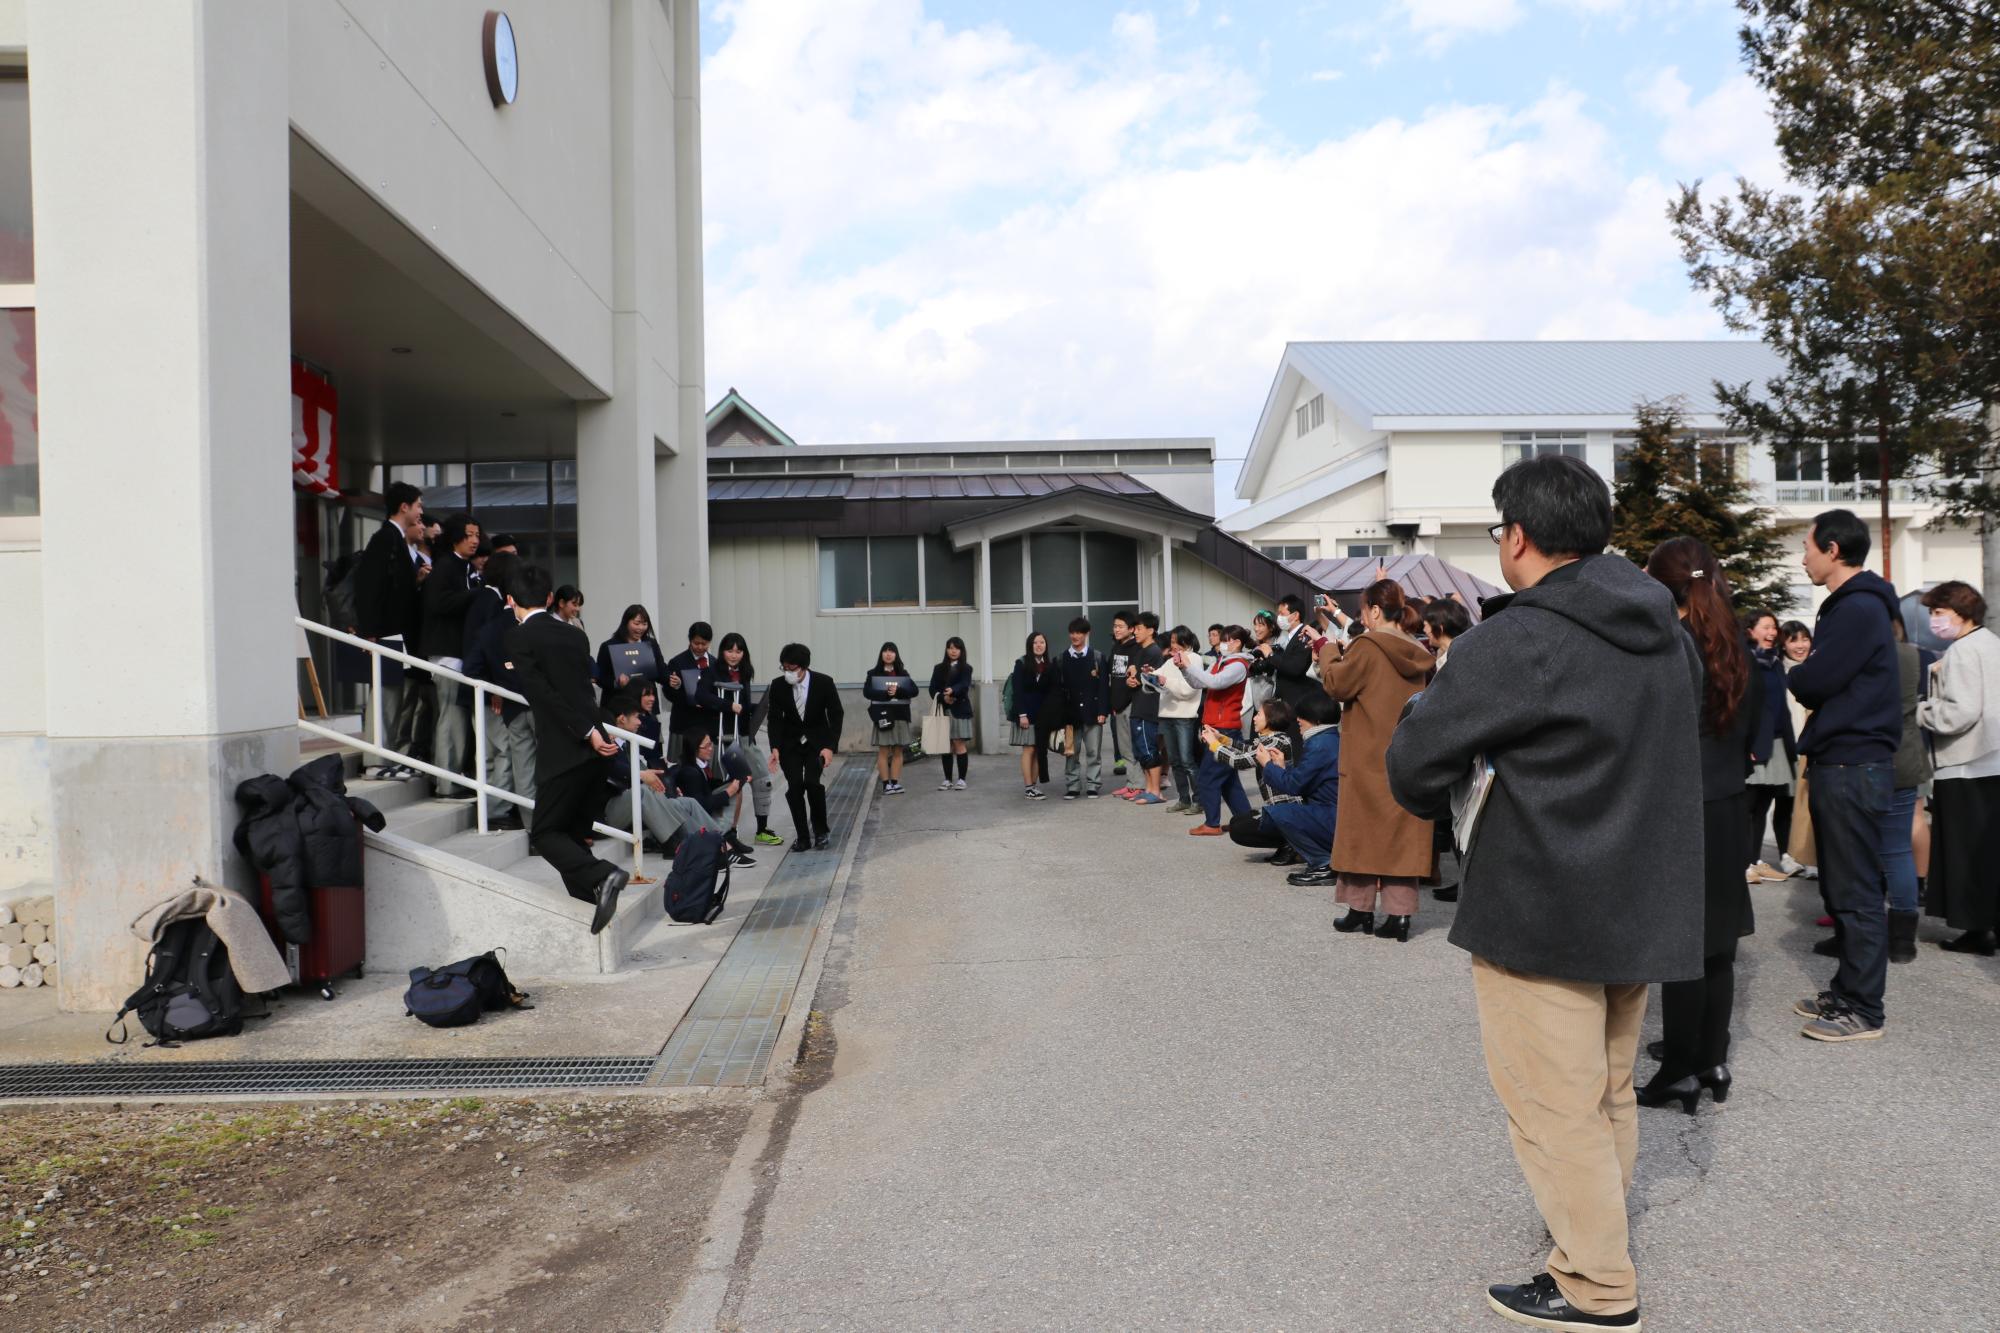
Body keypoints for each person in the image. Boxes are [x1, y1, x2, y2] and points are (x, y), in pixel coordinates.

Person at [1386, 454, 1702, 1333]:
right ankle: (1588, 1251)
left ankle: (1598, 1284)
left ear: (1517, 535)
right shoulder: (1662, 626)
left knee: (1551, 1102)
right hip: (1638, 890)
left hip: (1541, 896)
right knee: (1605, 1091)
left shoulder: (1520, 636)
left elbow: (1416, 759)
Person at [1636, 538, 1759, 1115]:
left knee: (1683, 945)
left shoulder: (1670, 645)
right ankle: (1713, 1058)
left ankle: (1678, 1070)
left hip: (1686, 806)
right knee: (1718, 947)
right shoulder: (1737, 644)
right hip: (1732, 804)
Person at [1788, 508, 1902, 1043]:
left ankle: (1863, 1009)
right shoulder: (1854, 606)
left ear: (1833, 549)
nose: (1803, 557)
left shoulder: (1856, 608)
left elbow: (1817, 680)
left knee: (1855, 890)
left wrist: (1800, 671)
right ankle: (1848, 989)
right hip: (1846, 760)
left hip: (1855, 762)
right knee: (1843, 885)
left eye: (1808, 547)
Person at [503, 564, 628, 934]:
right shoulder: (575, 636)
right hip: (597, 751)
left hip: (568, 748)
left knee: (544, 834)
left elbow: (543, 695)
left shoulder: (519, 638)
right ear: (548, 598)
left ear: (511, 601)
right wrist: (596, 731)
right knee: (572, 838)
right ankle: (594, 913)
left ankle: (605, 875)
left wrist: (586, 731)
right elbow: (581, 692)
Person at [1312, 579, 1435, 938]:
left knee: (1359, 833)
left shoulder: (1368, 646)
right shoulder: (1416, 649)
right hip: (1405, 753)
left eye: (1365, 609)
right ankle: (1399, 916)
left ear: (1375, 610)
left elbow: (1337, 684)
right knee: (1400, 835)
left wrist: (1327, 650)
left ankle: (1359, 909)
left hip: (1366, 753)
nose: (1363, 616)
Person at [1917, 580, 2000, 956]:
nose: (1934, 620)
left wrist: (1920, 710)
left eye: (1938, 612)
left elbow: (1960, 712)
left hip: (1966, 762)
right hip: (1991, 758)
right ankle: (1987, 925)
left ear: (1961, 612)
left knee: (1965, 853)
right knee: (1988, 850)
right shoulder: (1991, 643)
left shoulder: (1964, 650)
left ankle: (1976, 929)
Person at [600, 696, 730, 865]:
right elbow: (617, 772)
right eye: (637, 717)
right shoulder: (603, 748)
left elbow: (645, 775)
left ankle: (720, 841)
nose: (640, 722)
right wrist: (642, 776)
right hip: (609, 812)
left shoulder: (627, 744)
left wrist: (663, 788)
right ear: (621, 719)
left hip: (633, 804)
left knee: (686, 802)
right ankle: (683, 844)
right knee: (645, 791)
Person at [351, 480, 425, 768]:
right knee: (385, 698)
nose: (421, 512)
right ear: (404, 507)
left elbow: (391, 587)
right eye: (418, 505)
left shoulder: (396, 540)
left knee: (394, 698)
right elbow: (370, 587)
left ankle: (385, 758)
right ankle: (376, 760)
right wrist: (370, 632)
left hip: (395, 634)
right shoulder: (385, 538)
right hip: (385, 635)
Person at [462, 551, 535, 828]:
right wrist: (497, 689)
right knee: (504, 753)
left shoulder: (489, 611)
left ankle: (496, 809)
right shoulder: (496, 611)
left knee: (495, 755)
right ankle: (497, 811)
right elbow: (483, 659)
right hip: (497, 700)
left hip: (489, 696)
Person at [419, 513, 483, 798]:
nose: (475, 540)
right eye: (469, 534)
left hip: (458, 654)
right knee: (450, 717)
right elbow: (438, 603)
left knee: (455, 718)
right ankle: (446, 782)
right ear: (456, 535)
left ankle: (452, 778)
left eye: (477, 535)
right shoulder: (446, 566)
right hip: (446, 654)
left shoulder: (464, 568)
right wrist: (475, 596)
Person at [1176, 625, 1255, 835]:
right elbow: (1200, 682)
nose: (1222, 643)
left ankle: (1212, 823)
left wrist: (1189, 666)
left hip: (1224, 728)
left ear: (1237, 642)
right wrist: (1184, 669)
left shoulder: (1238, 664)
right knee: (1229, 781)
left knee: (1207, 777)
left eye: (1226, 639)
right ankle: (1246, 821)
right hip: (1216, 726)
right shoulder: (1223, 661)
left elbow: (1215, 682)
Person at [766, 643, 843, 851]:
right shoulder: (778, 685)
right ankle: (802, 836)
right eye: (785, 668)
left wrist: (830, 746)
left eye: (792, 668)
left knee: (812, 783)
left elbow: (836, 715)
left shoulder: (824, 682)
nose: (788, 673)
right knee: (795, 787)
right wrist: (775, 747)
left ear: (804, 666)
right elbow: (774, 718)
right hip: (789, 744)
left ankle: (820, 832)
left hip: (816, 744)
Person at [1741, 609, 1798, 882]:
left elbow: (1782, 708)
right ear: (1750, 630)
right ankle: (1743, 863)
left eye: (1774, 627)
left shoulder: (1774, 662)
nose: (1772, 632)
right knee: (1748, 804)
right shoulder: (1743, 660)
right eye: (1766, 627)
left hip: (1776, 741)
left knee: (1763, 804)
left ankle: (1755, 860)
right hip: (1755, 740)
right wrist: (1746, 740)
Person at [712, 632, 782, 847]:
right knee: (733, 784)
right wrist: (728, 706)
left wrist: (761, 707)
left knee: (763, 779)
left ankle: (762, 829)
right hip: (725, 736)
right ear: (722, 651)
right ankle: (728, 832)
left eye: (738, 651)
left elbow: (743, 706)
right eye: (730, 650)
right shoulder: (713, 672)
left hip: (744, 734)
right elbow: (703, 698)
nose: (734, 655)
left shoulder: (744, 672)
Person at [670, 733, 757, 866]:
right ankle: (725, 844)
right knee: (732, 790)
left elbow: (709, 787)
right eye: (707, 746)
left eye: (711, 744)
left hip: (703, 813)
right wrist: (728, 792)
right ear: (695, 748)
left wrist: (736, 779)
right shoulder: (689, 772)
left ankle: (730, 835)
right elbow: (701, 806)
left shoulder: (699, 765)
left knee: (736, 787)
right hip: (696, 823)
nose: (711, 748)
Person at [1054, 617, 1110, 800]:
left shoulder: (1098, 657)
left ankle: (1093, 785)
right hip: (1070, 715)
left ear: (1087, 634)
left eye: (1079, 632)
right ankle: (1073, 786)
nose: (1075, 636)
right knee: (1071, 752)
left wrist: (1103, 711)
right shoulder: (1061, 659)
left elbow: (1103, 687)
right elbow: (1058, 689)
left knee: (1094, 751)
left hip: (1093, 713)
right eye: (1072, 632)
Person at [1778, 620, 1817, 879]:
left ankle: (1807, 854)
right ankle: (1787, 855)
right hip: (1785, 742)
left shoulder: (1817, 669)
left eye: (1804, 639)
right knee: (1784, 803)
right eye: (1793, 640)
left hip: (1810, 744)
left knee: (1807, 802)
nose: (1800, 645)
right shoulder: (1776, 670)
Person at [1116, 613, 1169, 804]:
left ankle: (1156, 792)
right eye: (1134, 628)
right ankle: (1148, 788)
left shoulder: (1154, 652)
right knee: (1140, 750)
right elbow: (1137, 673)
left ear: (1150, 630)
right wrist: (1132, 676)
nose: (1135, 632)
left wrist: (1136, 679)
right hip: (1137, 705)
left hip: (1149, 707)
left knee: (1149, 749)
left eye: (1138, 628)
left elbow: (1154, 679)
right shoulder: (1140, 650)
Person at [1156, 626, 1204, 814]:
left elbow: (1188, 690)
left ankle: (1199, 801)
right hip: (1167, 715)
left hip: (1185, 717)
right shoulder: (1170, 661)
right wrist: (1148, 674)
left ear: (1186, 642)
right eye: (1172, 641)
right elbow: (1157, 676)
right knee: (1175, 761)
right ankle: (1184, 799)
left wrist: (1164, 681)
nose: (1173, 645)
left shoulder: (1195, 659)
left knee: (1187, 761)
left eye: (1176, 641)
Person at [863, 642, 916, 795]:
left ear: (896, 655)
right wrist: (886, 694)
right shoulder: (873, 673)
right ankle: (886, 784)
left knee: (898, 750)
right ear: (881, 654)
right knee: (884, 750)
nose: (888, 654)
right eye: (885, 651)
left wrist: (898, 691)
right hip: (883, 715)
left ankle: (895, 782)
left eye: (891, 651)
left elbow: (914, 690)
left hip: (900, 715)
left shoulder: (903, 673)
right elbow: (867, 692)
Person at [1009, 631, 1057, 800]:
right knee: (1028, 748)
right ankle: (1028, 787)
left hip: (1042, 715)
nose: (1039, 645)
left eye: (1042, 642)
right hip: (1026, 714)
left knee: (1038, 749)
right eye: (1035, 642)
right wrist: (1022, 714)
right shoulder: (1021, 663)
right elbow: (1018, 691)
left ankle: (1034, 786)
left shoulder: (1049, 665)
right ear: (1030, 645)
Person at [664, 621, 724, 748]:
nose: (700, 647)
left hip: (709, 723)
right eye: (696, 643)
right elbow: (668, 692)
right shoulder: (677, 662)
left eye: (704, 644)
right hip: (685, 722)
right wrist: (677, 687)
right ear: (690, 640)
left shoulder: (716, 663)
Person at [928, 637, 975, 790]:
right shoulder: (938, 668)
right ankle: (947, 779)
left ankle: (962, 779)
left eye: (956, 648)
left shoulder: (966, 668)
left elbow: (964, 685)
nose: (953, 651)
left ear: (961, 651)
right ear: (946, 650)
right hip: (943, 710)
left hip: (960, 710)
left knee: (959, 743)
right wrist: (942, 697)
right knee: (945, 745)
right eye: (950, 647)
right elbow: (932, 688)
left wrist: (953, 691)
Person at [596, 605, 671, 695]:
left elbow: (660, 669)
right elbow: (600, 677)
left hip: (647, 701)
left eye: (644, 624)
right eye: (636, 623)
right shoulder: (609, 646)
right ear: (626, 623)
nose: (640, 628)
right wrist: (617, 682)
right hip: (620, 702)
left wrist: (672, 680)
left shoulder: (651, 644)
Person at [1105, 612, 1136, 779]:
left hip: (1131, 704)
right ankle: (1132, 783)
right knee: (1124, 749)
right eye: (1115, 626)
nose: (1116, 629)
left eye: (1120, 626)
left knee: (1133, 747)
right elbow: (1113, 675)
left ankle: (1138, 784)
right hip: (1117, 705)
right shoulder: (1116, 647)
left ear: (1131, 629)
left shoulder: (1137, 648)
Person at [1421, 598, 1472, 672]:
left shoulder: (1456, 662)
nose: (1424, 630)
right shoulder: (1444, 653)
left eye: (1426, 625)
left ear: (1439, 629)